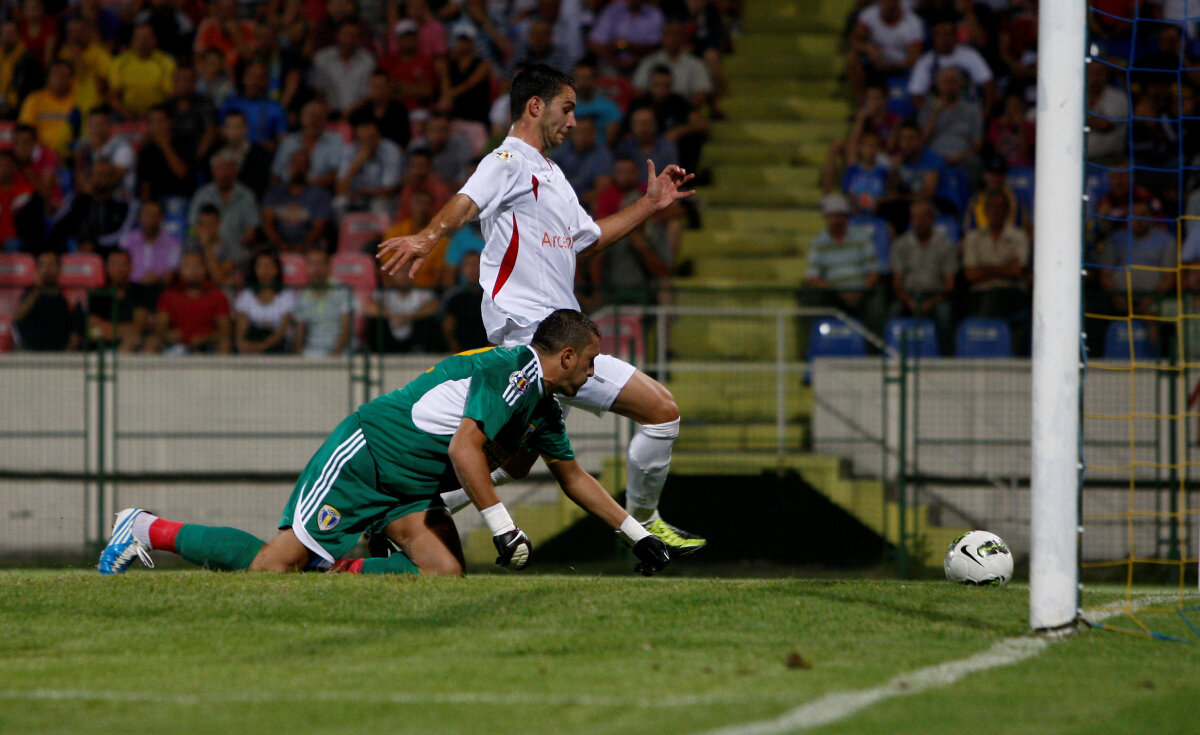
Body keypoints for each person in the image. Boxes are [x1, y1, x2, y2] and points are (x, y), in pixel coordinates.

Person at [377, 64, 705, 556]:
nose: (574, 122)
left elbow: (587, 241)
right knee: (662, 412)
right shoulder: (508, 159)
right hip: (537, 343)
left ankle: (404, 518)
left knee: (517, 460)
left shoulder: (552, 176)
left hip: (556, 338)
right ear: (536, 106)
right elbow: (467, 201)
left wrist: (649, 204)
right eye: (567, 108)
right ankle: (645, 520)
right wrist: (427, 238)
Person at [98, 309, 672, 577]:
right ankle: (146, 527)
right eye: (592, 360)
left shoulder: (542, 403)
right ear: (566, 356)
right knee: (270, 570)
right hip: (369, 456)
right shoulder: (515, 368)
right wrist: (504, 528)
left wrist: (636, 535)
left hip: (412, 488)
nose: (595, 373)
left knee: (443, 580)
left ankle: (337, 570)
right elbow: (463, 451)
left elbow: (572, 478)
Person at [890, 199, 959, 355]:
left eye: (923, 217)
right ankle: (893, 356)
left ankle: (947, 359)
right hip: (908, 295)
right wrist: (909, 301)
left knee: (945, 314)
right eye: (914, 217)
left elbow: (949, 285)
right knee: (894, 312)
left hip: (937, 295)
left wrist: (930, 303)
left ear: (932, 219)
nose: (918, 222)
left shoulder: (946, 244)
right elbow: (896, 283)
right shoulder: (901, 243)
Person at [153, 251, 232, 355]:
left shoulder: (217, 295)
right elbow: (160, 326)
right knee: (152, 342)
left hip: (208, 348)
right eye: (187, 266)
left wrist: (205, 338)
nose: (192, 270)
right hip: (175, 347)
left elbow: (225, 331)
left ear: (204, 269)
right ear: (180, 271)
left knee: (225, 344)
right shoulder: (169, 295)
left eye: (196, 266)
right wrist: (169, 335)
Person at [262, 149, 333, 253]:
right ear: (288, 166)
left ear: (309, 168)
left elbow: (319, 227)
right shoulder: (274, 192)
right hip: (277, 247)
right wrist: (281, 245)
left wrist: (302, 247)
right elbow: (268, 223)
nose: (299, 167)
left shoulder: (320, 195)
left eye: (303, 164)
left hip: (309, 248)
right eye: (295, 163)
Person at [86, 249, 155, 352]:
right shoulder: (97, 294)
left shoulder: (141, 292)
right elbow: (93, 329)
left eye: (123, 264)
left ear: (131, 267)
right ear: (107, 267)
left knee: (142, 341)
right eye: (115, 264)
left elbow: (139, 326)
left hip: (133, 345)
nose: (120, 269)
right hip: (101, 348)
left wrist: (107, 329)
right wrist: (121, 331)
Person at [13, 251, 82, 351]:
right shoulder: (30, 294)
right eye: (42, 265)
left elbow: (76, 331)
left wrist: (66, 356)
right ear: (37, 269)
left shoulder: (69, 296)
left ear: (59, 269)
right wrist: (38, 288)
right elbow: (18, 316)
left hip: (62, 357)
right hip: (32, 356)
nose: (47, 269)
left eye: (51, 264)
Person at [292, 248, 352, 358]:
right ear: (306, 267)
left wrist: (334, 355)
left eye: (320, 263)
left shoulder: (342, 290)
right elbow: (299, 331)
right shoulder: (302, 296)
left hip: (341, 353)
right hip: (312, 352)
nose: (316, 268)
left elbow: (347, 329)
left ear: (328, 266)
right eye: (312, 264)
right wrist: (299, 356)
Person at [234, 251, 294, 354]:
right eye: (259, 266)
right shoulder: (247, 294)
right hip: (253, 337)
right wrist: (241, 342)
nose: (263, 270)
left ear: (276, 270)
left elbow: (282, 330)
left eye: (268, 266)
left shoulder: (286, 295)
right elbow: (242, 324)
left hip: (276, 342)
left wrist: (262, 346)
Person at [119, 199, 182, 287]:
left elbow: (171, 272)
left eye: (154, 215)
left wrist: (158, 278)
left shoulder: (173, 243)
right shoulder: (127, 240)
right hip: (131, 288)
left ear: (161, 219)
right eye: (146, 214)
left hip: (160, 288)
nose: (150, 218)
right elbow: (120, 267)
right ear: (139, 217)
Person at [441, 250, 488, 352]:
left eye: (476, 264)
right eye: (468, 265)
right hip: (461, 355)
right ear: (461, 269)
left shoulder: (493, 298)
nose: (473, 269)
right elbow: (448, 329)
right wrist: (459, 355)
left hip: (489, 355)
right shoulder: (454, 298)